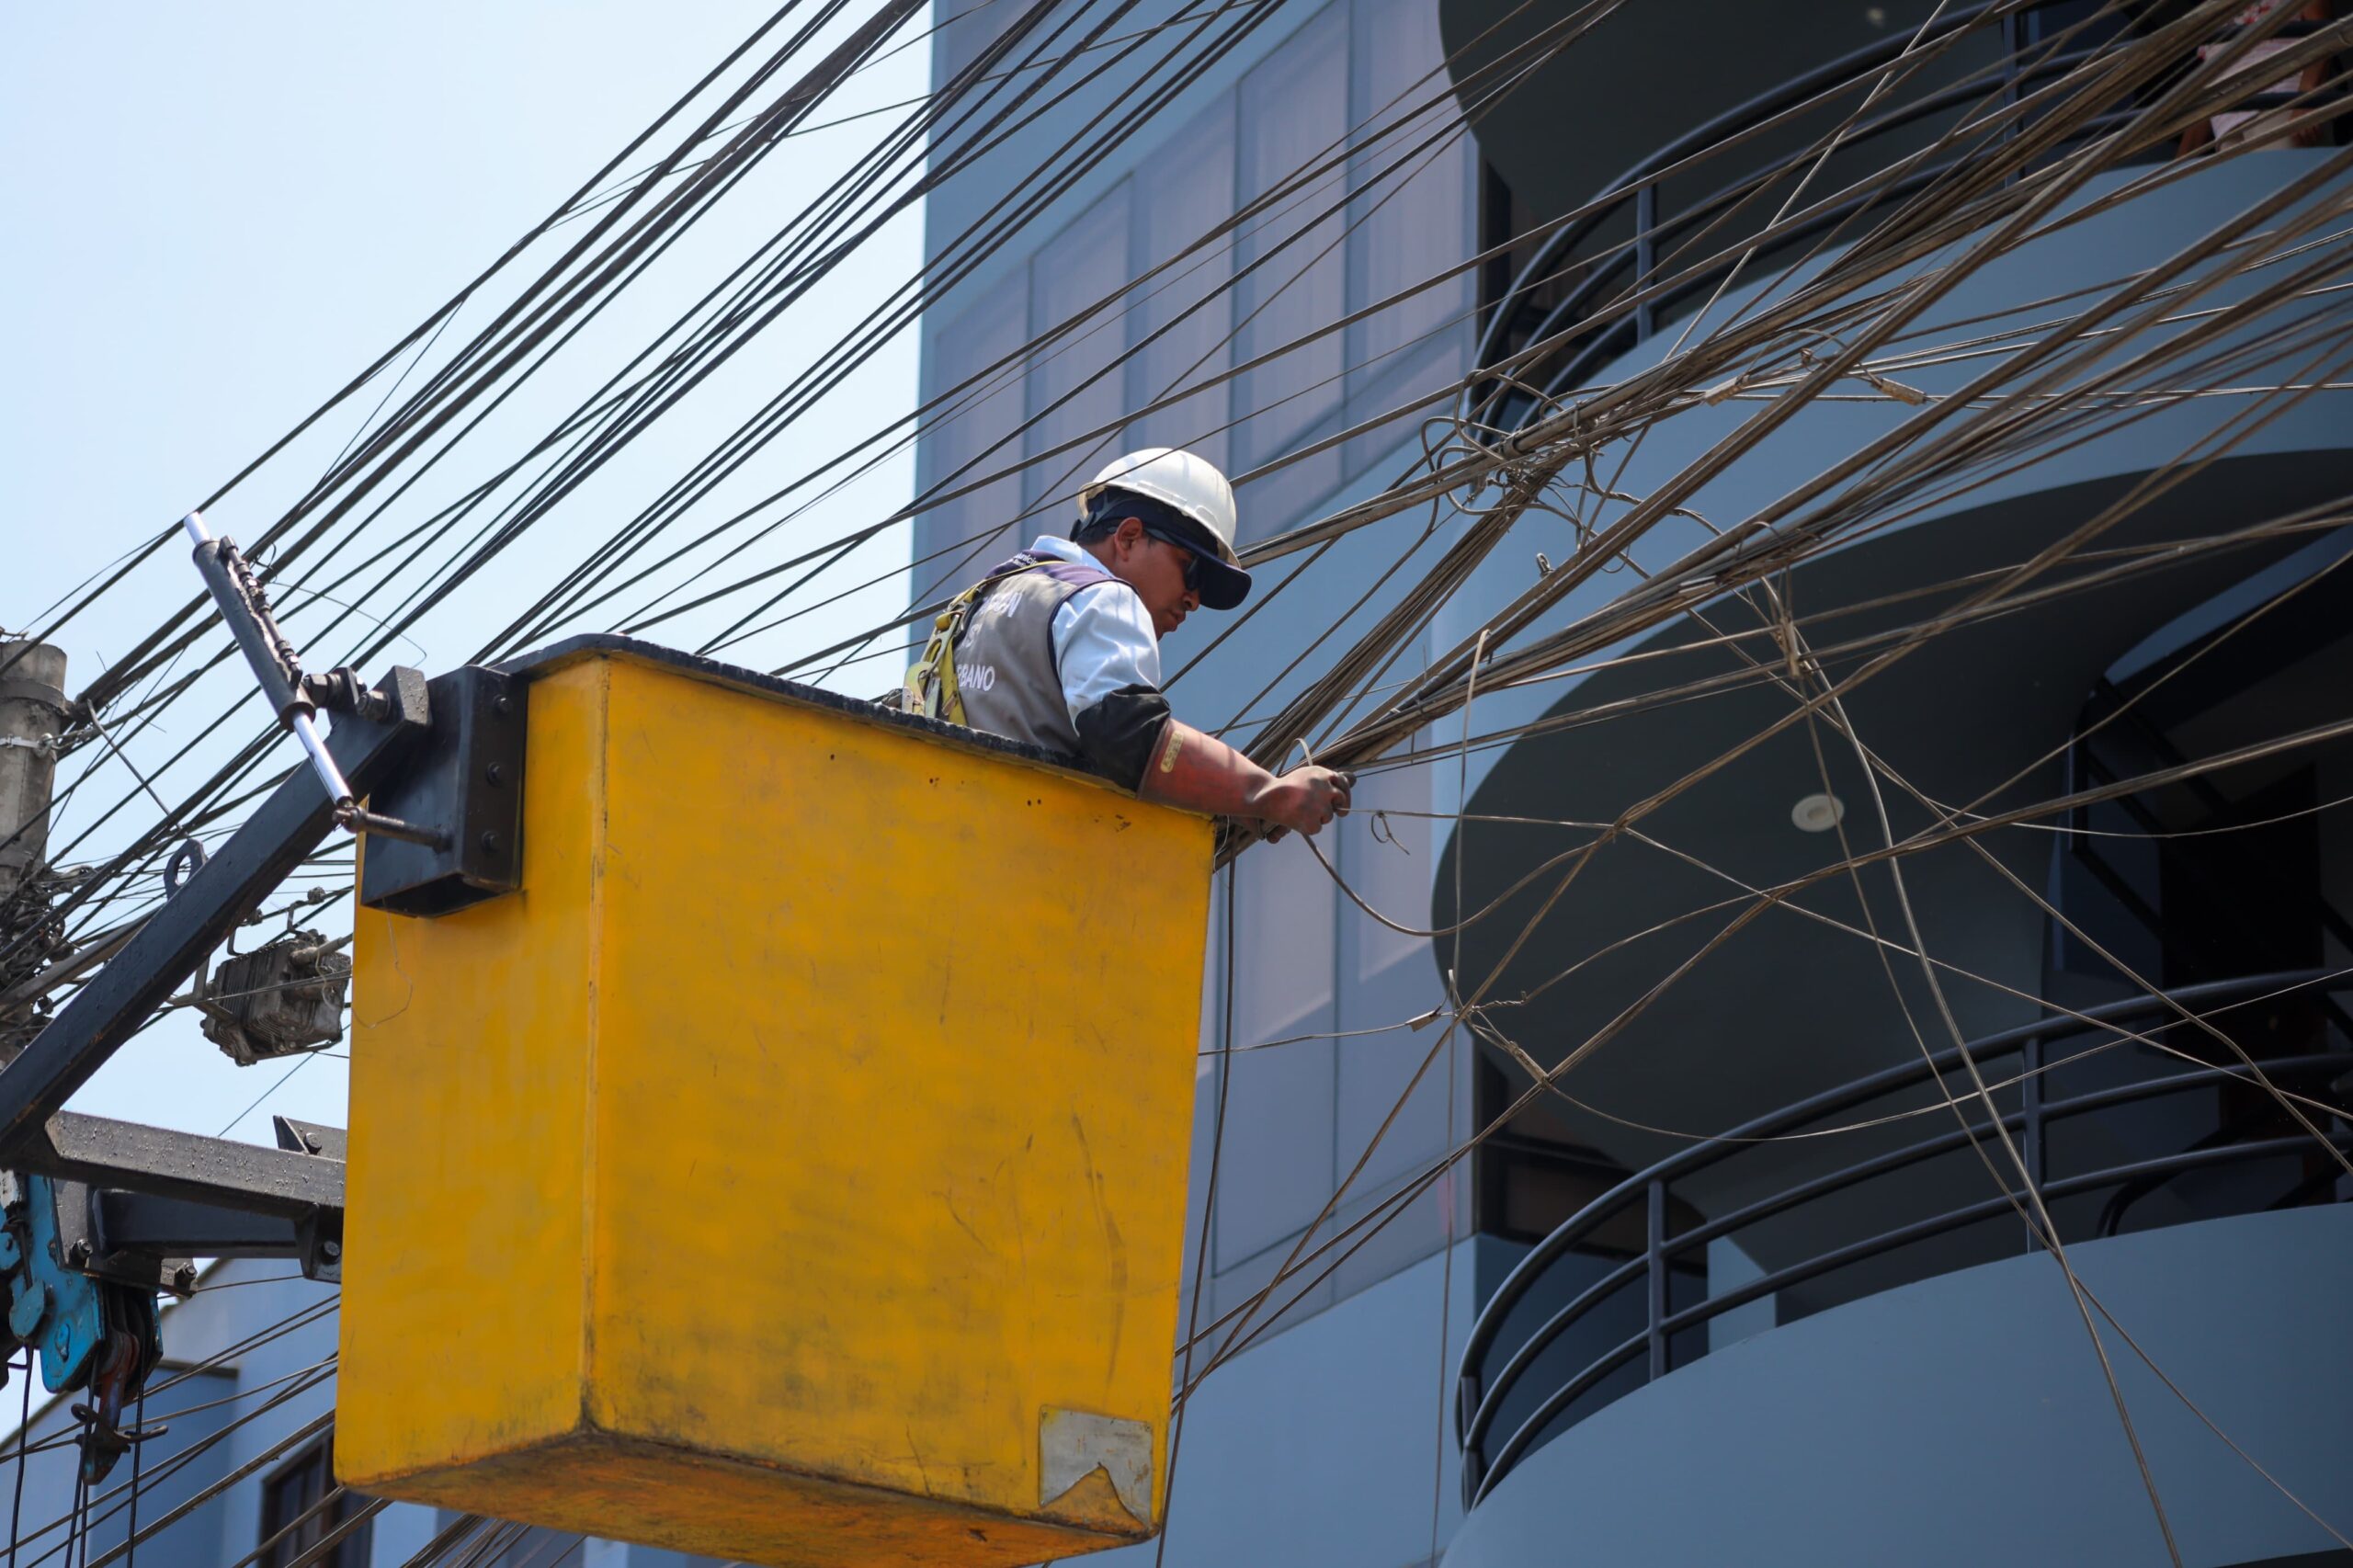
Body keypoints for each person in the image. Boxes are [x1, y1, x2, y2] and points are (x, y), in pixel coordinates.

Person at [903, 447, 1353, 836]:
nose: (1192, 600)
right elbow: (1127, 735)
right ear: (1129, 538)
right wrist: (1266, 793)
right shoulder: (1104, 596)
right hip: (1024, 870)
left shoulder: (982, 600)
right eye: (1191, 570)